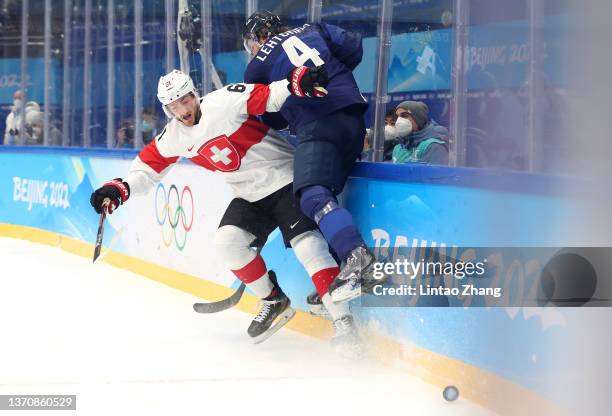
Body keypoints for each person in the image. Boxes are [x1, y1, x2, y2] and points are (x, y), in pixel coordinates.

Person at [90, 69, 362, 355]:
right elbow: (146, 170)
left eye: (184, 101)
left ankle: (345, 323)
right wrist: (118, 189)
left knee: (308, 248)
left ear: (194, 94)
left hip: (285, 180)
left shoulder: (223, 102)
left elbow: (269, 96)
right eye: (172, 106)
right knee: (227, 244)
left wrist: (298, 82)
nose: (181, 110)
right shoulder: (174, 136)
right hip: (248, 195)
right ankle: (273, 300)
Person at [242, 11, 380, 303]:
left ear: (259, 37)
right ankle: (342, 272)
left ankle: (358, 258)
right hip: (353, 119)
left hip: (318, 124)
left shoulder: (256, 67)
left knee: (312, 195)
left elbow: (273, 118)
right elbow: (353, 47)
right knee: (325, 198)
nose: (252, 50)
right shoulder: (314, 28)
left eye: (251, 43)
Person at [388, 101, 449, 165]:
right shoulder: (398, 148)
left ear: (417, 118)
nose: (399, 120)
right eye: (397, 116)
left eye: (404, 115)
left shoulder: (433, 146)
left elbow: (435, 174)